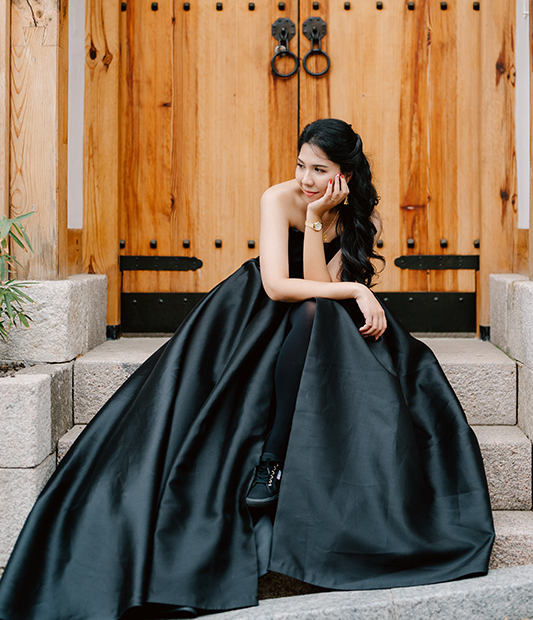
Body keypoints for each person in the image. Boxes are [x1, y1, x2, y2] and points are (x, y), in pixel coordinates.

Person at [0, 119, 495, 620]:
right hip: (255, 309)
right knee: (303, 315)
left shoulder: (352, 213)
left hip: (314, 312)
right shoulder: (278, 199)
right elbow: (280, 285)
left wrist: (323, 225)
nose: (304, 178)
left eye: (319, 170)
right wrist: (356, 288)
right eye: (301, 164)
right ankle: (269, 464)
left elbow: (318, 286)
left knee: (343, 338)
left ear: (344, 176)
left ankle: (283, 461)